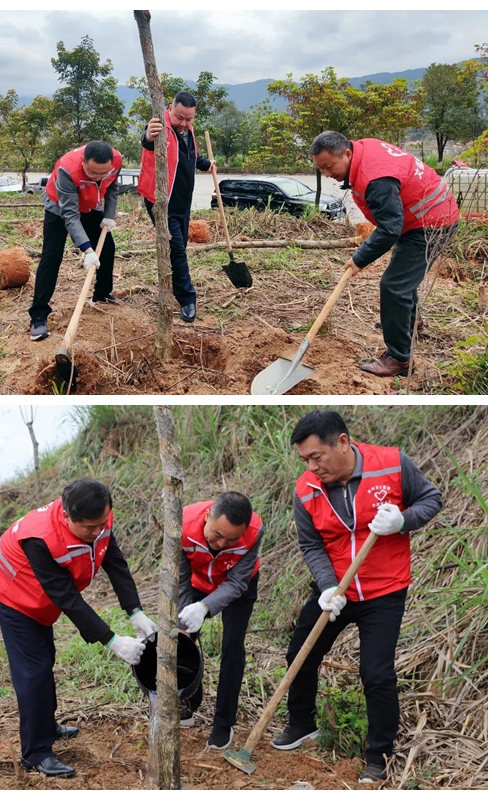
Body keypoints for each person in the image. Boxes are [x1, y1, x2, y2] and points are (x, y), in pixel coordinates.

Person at [273, 410, 443, 783]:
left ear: (343, 443)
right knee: (301, 653)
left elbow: (431, 498)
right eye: (305, 460)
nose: (312, 466)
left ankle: (378, 754)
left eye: (316, 456)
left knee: (376, 674)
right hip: (336, 590)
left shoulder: (392, 464)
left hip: (384, 590)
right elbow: (311, 544)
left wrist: (402, 520)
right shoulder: (306, 490)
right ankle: (301, 723)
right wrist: (327, 586)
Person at [0, 478, 155, 777]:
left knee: (45, 658)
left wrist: (135, 611)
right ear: (66, 515)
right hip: (11, 595)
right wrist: (113, 641)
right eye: (89, 528)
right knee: (33, 671)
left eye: (101, 524)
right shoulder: (41, 538)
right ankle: (36, 753)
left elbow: (115, 563)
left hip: (40, 599)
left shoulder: (99, 518)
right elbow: (67, 598)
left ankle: (46, 724)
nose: (97, 532)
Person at [309, 132, 460, 378]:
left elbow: (390, 228)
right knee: (402, 275)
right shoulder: (363, 149)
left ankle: (399, 358)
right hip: (421, 217)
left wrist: (359, 258)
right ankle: (409, 323)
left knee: (393, 286)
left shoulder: (375, 178)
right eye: (321, 169)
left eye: (329, 166)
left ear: (347, 153)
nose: (327, 174)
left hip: (432, 223)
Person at [177, 492, 263, 750]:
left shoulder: (255, 531)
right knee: (182, 640)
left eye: (232, 539)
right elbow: (180, 580)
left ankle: (223, 722)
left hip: (239, 586)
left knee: (232, 647)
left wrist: (206, 607)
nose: (222, 543)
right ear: (206, 517)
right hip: (195, 583)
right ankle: (187, 705)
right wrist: (186, 616)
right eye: (217, 535)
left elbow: (237, 583)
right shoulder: (181, 525)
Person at [28, 141, 122, 341]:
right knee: (51, 257)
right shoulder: (66, 169)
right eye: (93, 173)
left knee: (107, 247)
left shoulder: (116, 161)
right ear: (83, 162)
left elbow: (112, 187)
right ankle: (38, 316)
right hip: (59, 208)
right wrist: (87, 250)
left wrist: (109, 215)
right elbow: (70, 215)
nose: (98, 178)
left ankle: (102, 295)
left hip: (90, 205)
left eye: (102, 173)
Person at [138, 91, 214, 323]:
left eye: (188, 119)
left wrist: (206, 164)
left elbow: (189, 156)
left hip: (182, 202)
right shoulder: (160, 128)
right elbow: (147, 140)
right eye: (179, 117)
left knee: (177, 248)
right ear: (170, 108)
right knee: (178, 249)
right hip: (161, 202)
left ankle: (173, 284)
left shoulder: (187, 130)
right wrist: (148, 135)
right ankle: (187, 298)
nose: (183, 123)